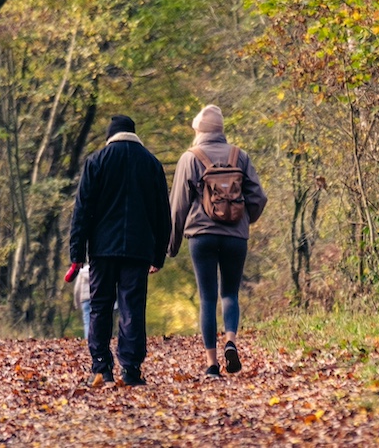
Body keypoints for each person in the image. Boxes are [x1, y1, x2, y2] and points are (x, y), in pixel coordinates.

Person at [66, 114, 171, 386]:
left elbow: (82, 211)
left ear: (110, 135)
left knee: (99, 307)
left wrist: (77, 253)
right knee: (132, 307)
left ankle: (101, 368)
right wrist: (159, 254)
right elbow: (163, 214)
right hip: (138, 250)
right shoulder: (151, 164)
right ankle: (131, 369)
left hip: (102, 250)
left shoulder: (96, 161)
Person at [167, 105, 267, 378]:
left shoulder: (190, 158)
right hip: (236, 236)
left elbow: (177, 207)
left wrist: (171, 246)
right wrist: (244, 220)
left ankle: (212, 364)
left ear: (199, 131)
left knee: (208, 298)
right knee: (230, 294)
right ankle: (231, 341)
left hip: (202, 236)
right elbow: (259, 197)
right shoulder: (240, 156)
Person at [73, 263, 92, 340]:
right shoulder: (98, 271)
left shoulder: (82, 272)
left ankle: (87, 339)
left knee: (87, 321)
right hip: (96, 298)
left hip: (85, 300)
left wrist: (77, 303)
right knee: (97, 320)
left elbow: (77, 289)